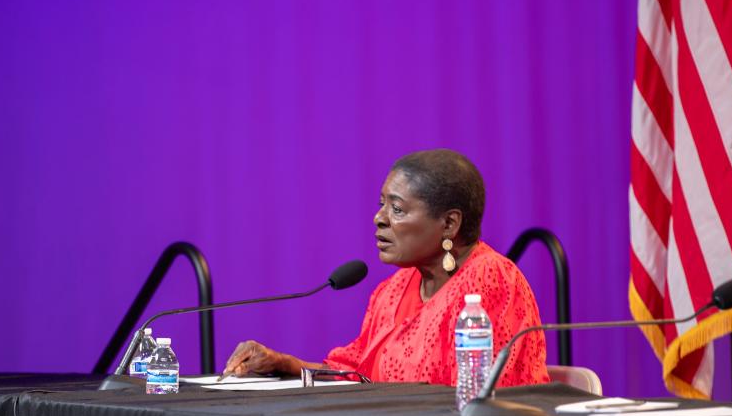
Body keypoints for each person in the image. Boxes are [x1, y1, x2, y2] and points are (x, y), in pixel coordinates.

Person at [220, 149, 549, 388]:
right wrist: (284, 364)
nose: (380, 219)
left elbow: (479, 395)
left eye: (397, 209)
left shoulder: (491, 281)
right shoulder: (392, 290)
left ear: (449, 223)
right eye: (382, 204)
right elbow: (354, 375)